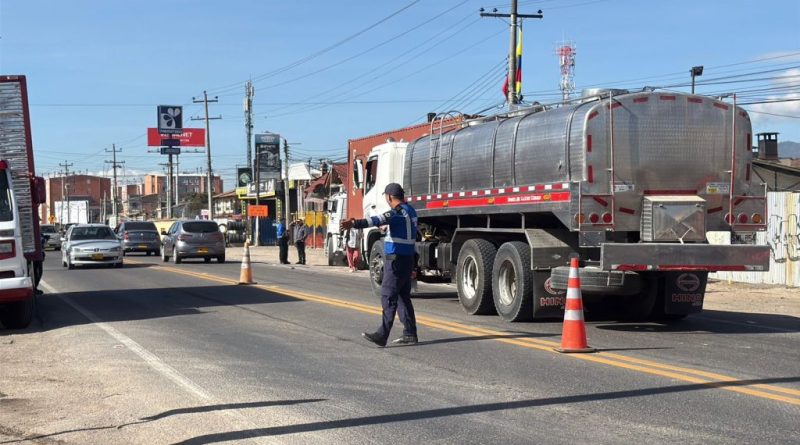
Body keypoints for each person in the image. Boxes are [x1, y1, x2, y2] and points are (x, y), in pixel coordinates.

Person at [341, 183, 418, 347]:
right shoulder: (410, 211)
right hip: (407, 259)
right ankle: (410, 333)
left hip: (395, 261)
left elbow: (375, 219)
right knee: (403, 297)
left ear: (389, 197)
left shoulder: (396, 213)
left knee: (388, 295)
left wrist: (353, 223)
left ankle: (382, 334)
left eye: (386, 197)